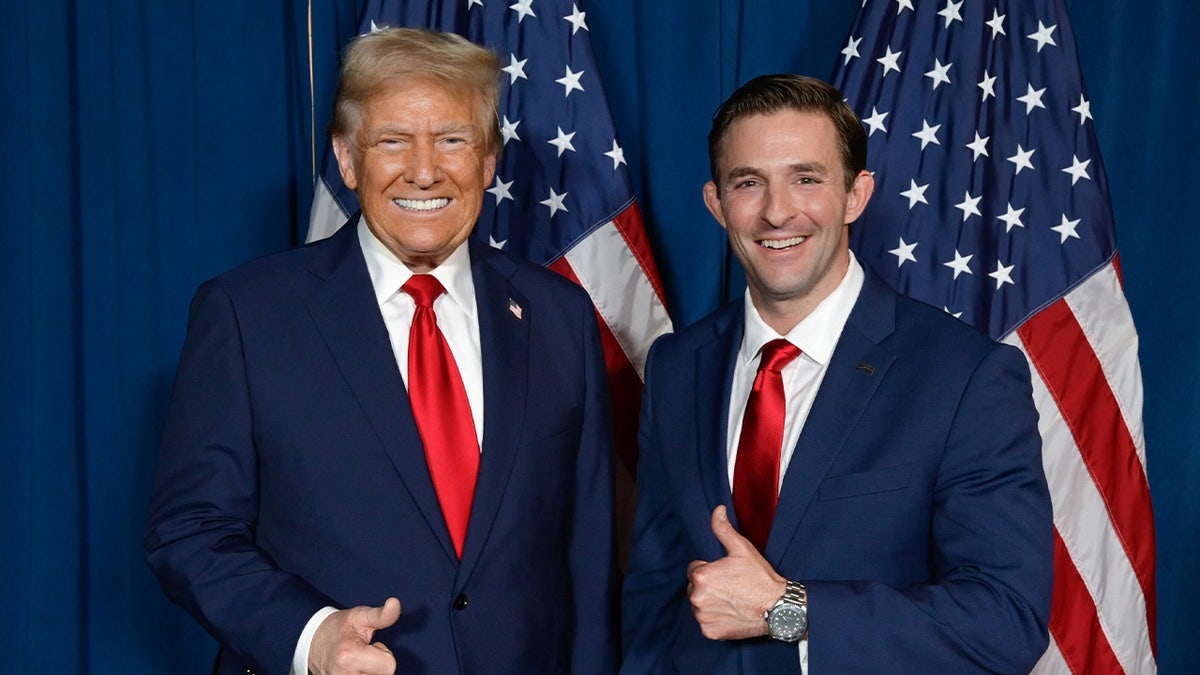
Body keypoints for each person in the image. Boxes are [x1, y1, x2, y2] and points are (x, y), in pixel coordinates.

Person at [145, 28, 618, 675]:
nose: (424, 170)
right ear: (346, 157)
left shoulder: (558, 316)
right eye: (393, 140)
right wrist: (310, 636)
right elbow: (190, 530)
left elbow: (587, 556)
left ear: (487, 160)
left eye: (452, 139)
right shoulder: (248, 314)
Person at [620, 74, 1053, 674]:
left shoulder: (966, 376)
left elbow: (1005, 620)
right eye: (749, 183)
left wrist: (788, 609)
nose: (777, 212)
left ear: (856, 194)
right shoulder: (675, 367)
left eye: (806, 179)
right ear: (717, 204)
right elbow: (653, 597)